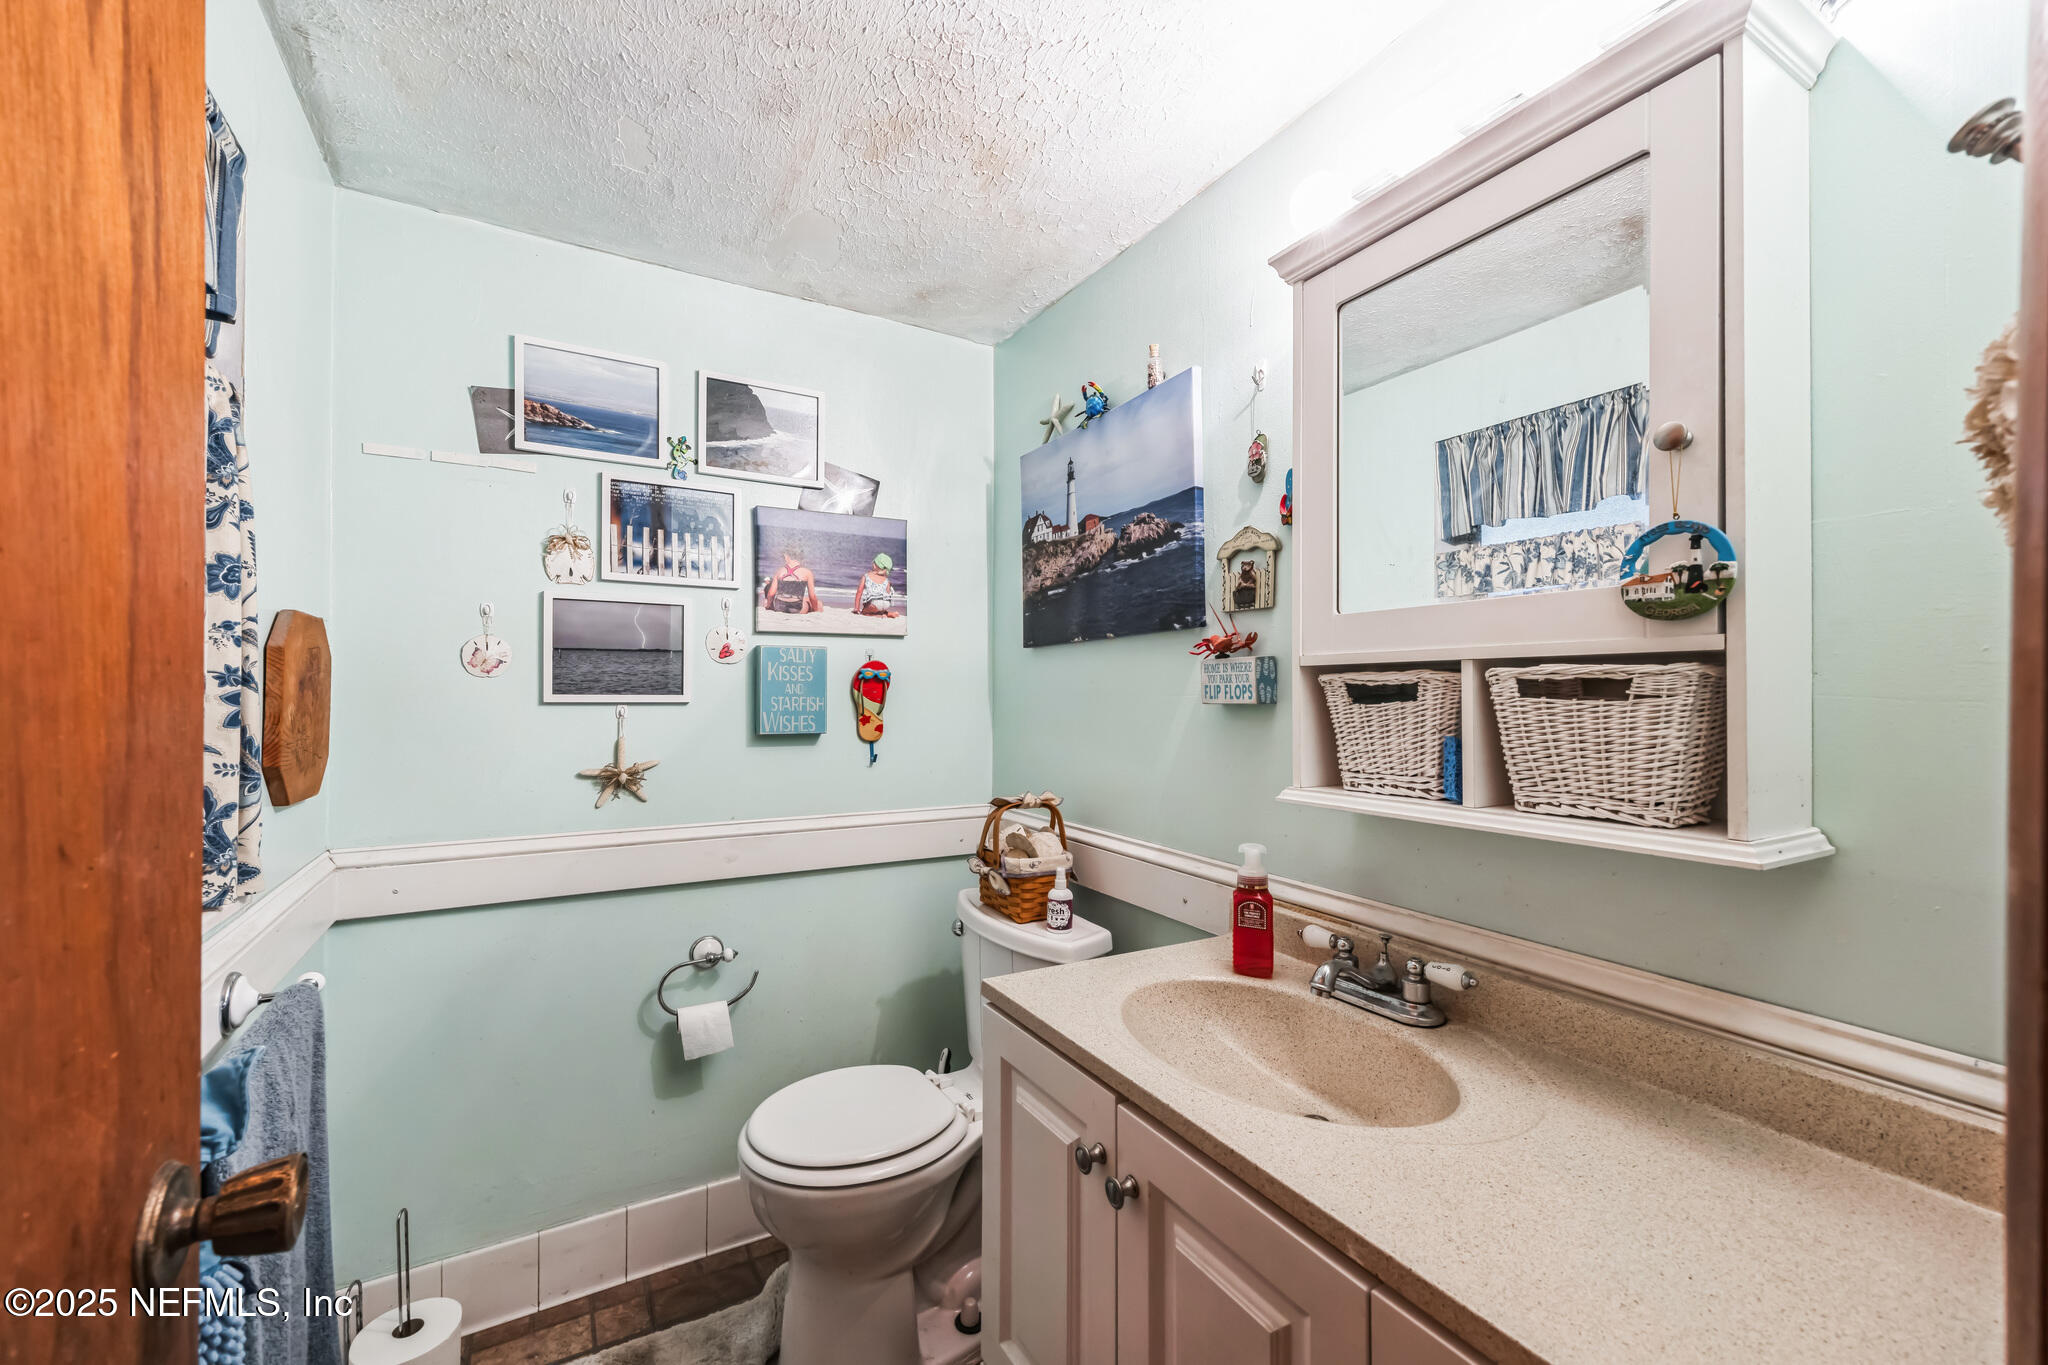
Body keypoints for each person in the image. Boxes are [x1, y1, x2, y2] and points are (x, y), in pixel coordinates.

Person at [763, 541, 821, 614]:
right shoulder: (807, 572)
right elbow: (812, 597)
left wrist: (769, 606)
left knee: (805, 599)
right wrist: (814, 610)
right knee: (818, 603)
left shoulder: (779, 571)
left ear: (786, 556)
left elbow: (771, 594)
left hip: (779, 608)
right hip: (797, 609)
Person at [856, 552, 901, 618]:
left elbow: (859, 592)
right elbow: (888, 593)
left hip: (874, 604)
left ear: (874, 565)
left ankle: (877, 616)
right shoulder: (886, 580)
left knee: (864, 612)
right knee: (879, 608)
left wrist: (856, 609)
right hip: (886, 604)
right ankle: (888, 614)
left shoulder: (866, 576)